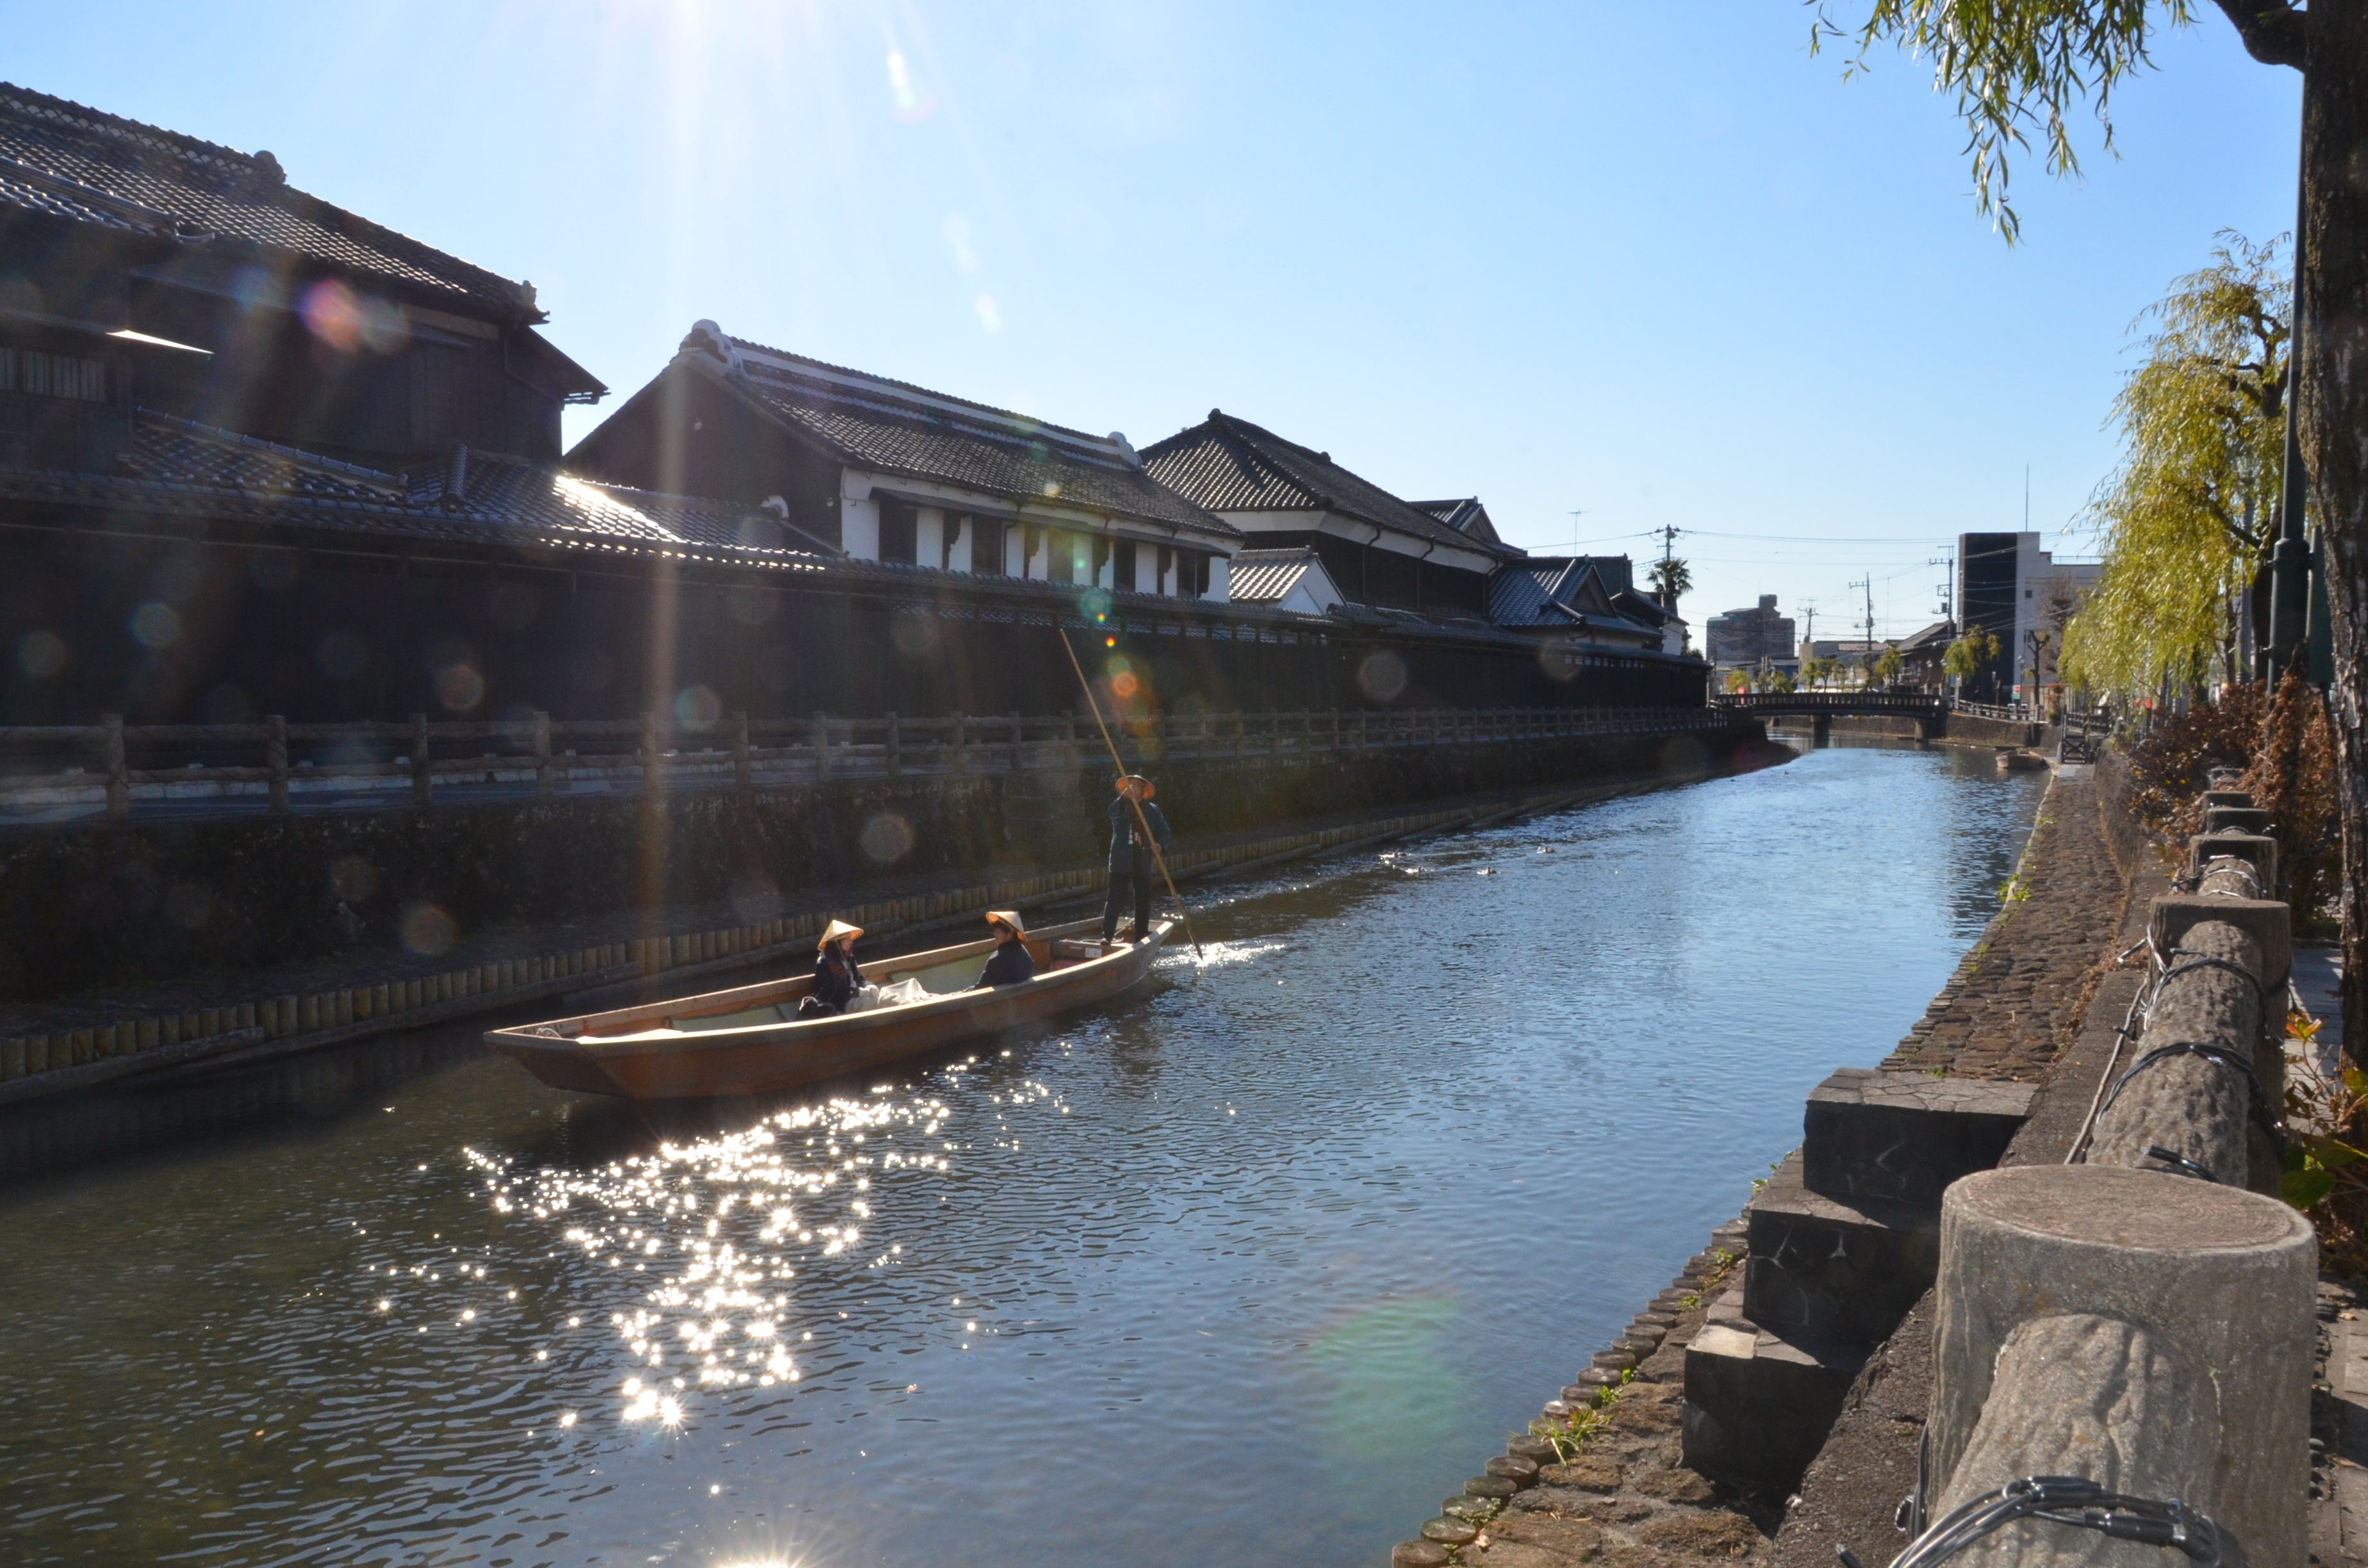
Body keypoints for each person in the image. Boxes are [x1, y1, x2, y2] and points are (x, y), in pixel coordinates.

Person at [1103, 774, 1170, 945]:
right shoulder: (1120, 806)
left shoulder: (1152, 810)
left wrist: (1159, 845)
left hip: (1142, 859)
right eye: (1129, 785)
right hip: (1121, 859)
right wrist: (1124, 798)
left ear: (1143, 790)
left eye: (1135, 786)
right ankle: (1108, 935)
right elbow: (1113, 814)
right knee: (1115, 898)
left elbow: (1164, 832)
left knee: (1143, 900)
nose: (1131, 788)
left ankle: (1141, 936)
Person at [797, 919, 865, 1018]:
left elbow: (858, 977)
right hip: (845, 1004)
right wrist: (858, 992)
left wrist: (867, 985)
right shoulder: (824, 965)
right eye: (847, 939)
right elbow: (833, 993)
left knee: (884, 995)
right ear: (837, 943)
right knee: (884, 1002)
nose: (851, 942)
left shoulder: (848, 958)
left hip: (856, 998)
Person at [974, 910, 1037, 988]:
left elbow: (981, 988)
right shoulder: (1024, 952)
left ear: (1010, 934)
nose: (995, 934)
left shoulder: (996, 960)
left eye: (997, 932)